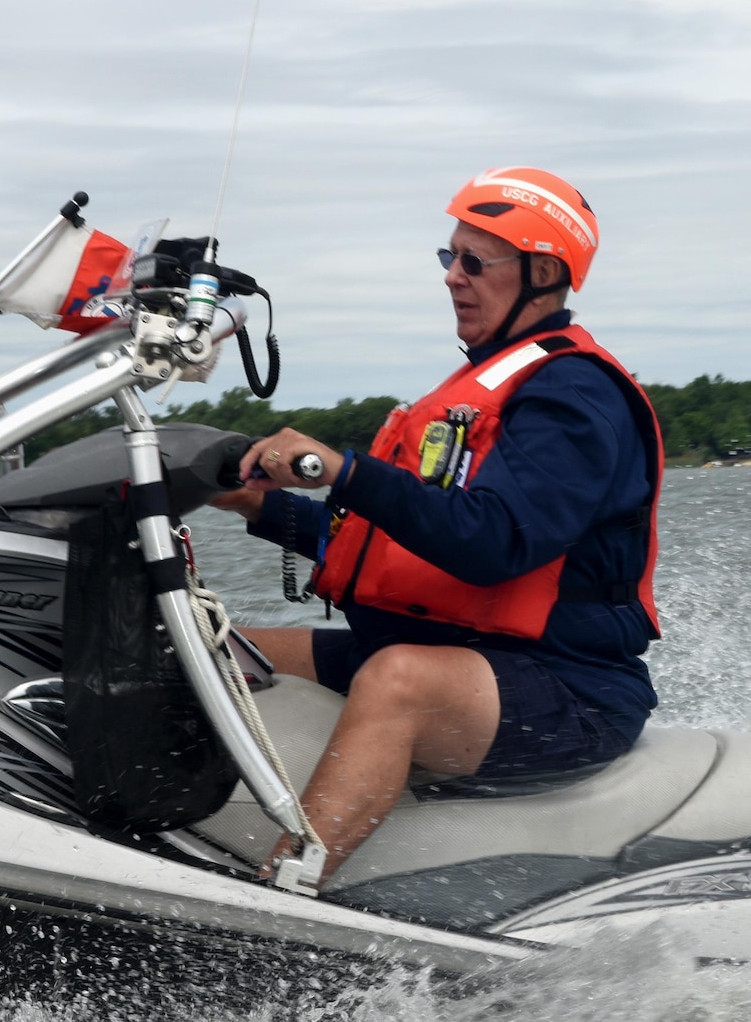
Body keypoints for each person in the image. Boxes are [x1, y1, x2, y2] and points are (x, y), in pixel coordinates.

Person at [210, 167, 663, 881]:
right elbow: (399, 551)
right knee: (219, 649)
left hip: (572, 690)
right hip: (455, 650)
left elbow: (492, 542)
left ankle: (283, 891)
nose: (453, 276)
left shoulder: (575, 395)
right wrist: (258, 507)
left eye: (474, 261)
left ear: (543, 273)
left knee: (398, 679)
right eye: (447, 257)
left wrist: (345, 471)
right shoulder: (484, 387)